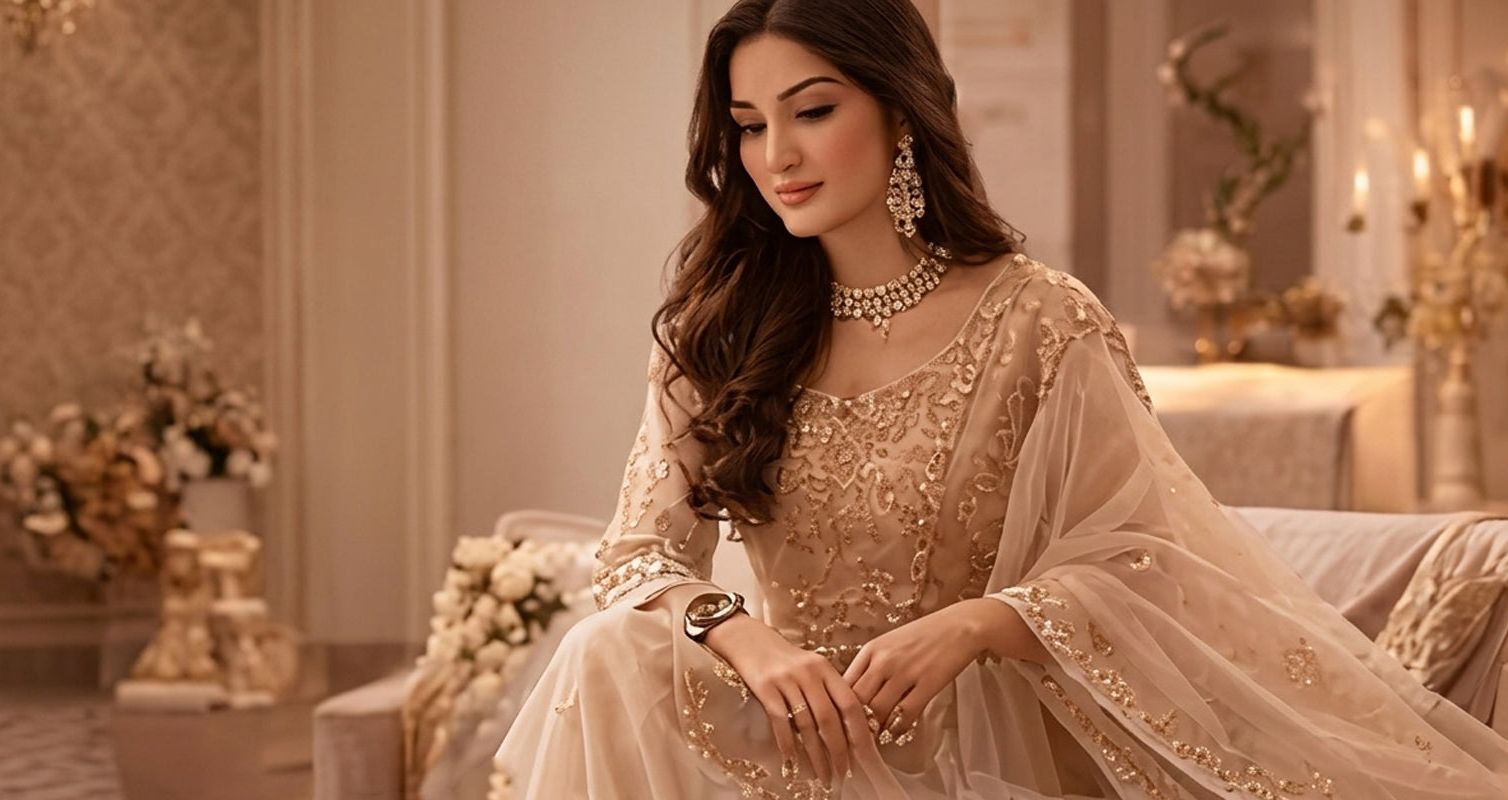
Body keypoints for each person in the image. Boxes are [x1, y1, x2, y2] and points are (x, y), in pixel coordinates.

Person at [493, 0, 1508, 797]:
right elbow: (639, 554)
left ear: (899, 111)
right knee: (606, 653)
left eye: (812, 110)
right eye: (750, 126)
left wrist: (981, 621)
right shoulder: (722, 324)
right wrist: (739, 630)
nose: (776, 158)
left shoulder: (1036, 320)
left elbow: (1146, 556)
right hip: (785, 730)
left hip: (980, 745)